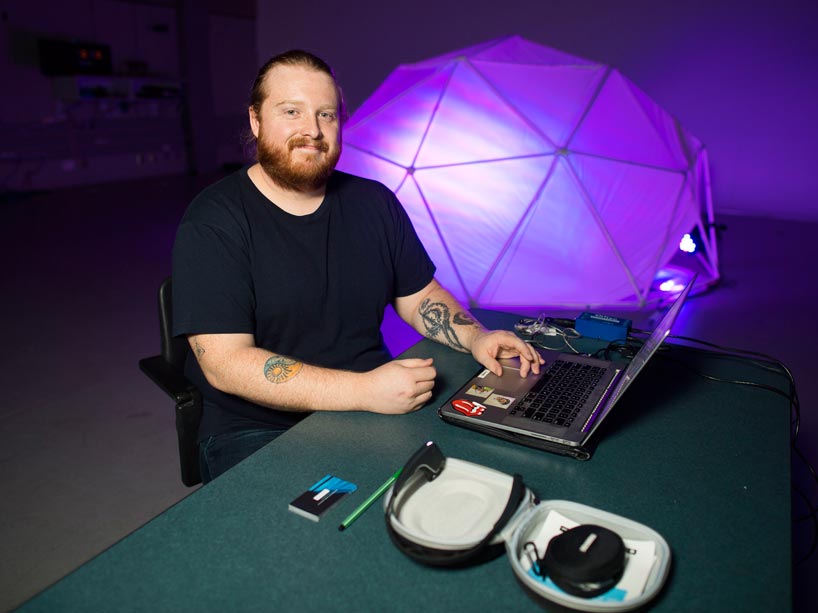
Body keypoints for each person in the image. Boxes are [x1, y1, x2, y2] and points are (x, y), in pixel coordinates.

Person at [172, 49, 543, 483]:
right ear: (256, 120)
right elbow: (225, 363)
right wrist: (364, 390)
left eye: (326, 114)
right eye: (291, 111)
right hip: (257, 427)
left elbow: (420, 296)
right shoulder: (213, 221)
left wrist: (476, 337)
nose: (312, 130)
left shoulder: (374, 203)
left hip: (376, 400)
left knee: (482, 478)